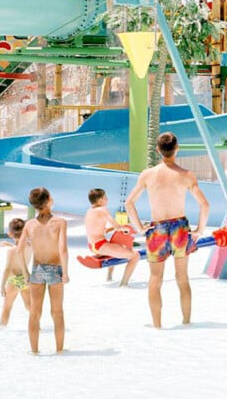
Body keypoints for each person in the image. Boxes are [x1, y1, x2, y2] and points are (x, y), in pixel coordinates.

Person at [126, 132, 209, 328]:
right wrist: (199, 230)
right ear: (177, 148)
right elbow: (205, 205)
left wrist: (139, 228)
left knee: (155, 279)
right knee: (182, 278)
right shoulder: (186, 175)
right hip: (180, 228)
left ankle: (157, 326)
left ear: (158, 150)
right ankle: (187, 323)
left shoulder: (148, 174)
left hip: (157, 229)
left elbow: (129, 203)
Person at [15, 188, 69, 354]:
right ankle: (59, 350)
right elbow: (63, 250)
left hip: (37, 270)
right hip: (55, 269)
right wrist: (65, 273)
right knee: (57, 311)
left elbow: (19, 250)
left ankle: (34, 351)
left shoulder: (30, 224)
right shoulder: (60, 222)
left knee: (35, 312)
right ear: (49, 200)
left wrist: (25, 274)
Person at [84, 188, 142, 287]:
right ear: (100, 200)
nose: (108, 200)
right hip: (100, 245)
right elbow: (117, 226)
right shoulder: (102, 209)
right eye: (106, 198)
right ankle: (124, 284)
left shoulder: (89, 211)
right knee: (135, 256)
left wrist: (113, 229)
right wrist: (124, 228)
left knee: (114, 245)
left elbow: (101, 230)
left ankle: (109, 277)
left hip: (92, 245)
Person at [0, 218, 32, 327]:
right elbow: (19, 248)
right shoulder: (30, 246)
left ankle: (1, 328)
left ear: (10, 234)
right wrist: (9, 244)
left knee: (7, 307)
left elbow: (7, 269)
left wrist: (2, 286)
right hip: (25, 279)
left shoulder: (11, 251)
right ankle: (37, 327)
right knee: (29, 306)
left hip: (14, 280)